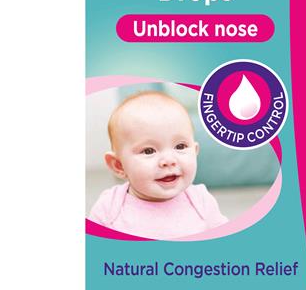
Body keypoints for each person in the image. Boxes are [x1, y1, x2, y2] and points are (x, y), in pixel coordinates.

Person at [88, 91, 228, 239]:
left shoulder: (201, 201)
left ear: (195, 151)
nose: (168, 160)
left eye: (180, 146)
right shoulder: (109, 208)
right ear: (119, 165)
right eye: (149, 151)